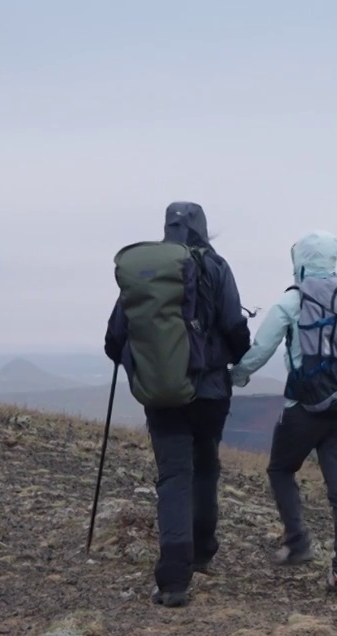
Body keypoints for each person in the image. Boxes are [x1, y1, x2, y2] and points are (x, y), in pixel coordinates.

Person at [104, 201, 251, 608]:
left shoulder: (149, 274)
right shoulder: (217, 267)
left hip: (164, 392)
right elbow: (234, 325)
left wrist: (139, 363)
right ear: (205, 228)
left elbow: (114, 336)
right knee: (205, 469)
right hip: (211, 392)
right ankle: (203, 552)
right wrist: (239, 355)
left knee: (173, 477)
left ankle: (173, 581)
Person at [230, 230, 337, 598]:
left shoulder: (295, 299)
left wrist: (236, 375)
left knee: (281, 469)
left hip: (303, 408)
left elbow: (262, 347)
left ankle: (298, 540)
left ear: (299, 261)